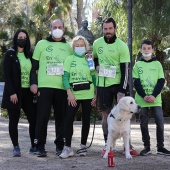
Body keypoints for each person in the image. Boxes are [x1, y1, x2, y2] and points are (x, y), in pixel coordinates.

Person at [92, 17, 138, 156]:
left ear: (115, 28)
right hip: (103, 85)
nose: (108, 31)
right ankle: (108, 147)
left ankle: (127, 146)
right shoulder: (97, 43)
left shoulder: (122, 46)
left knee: (124, 115)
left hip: (118, 84)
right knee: (106, 116)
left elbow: (126, 70)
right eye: (105, 29)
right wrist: (96, 65)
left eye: (110, 28)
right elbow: (94, 59)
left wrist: (122, 91)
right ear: (102, 29)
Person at [30, 19, 73, 157]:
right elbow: (34, 67)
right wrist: (34, 83)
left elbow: (72, 68)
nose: (57, 29)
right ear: (50, 29)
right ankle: (40, 146)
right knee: (42, 116)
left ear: (64, 29)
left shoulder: (69, 47)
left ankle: (60, 146)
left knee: (61, 117)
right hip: (44, 86)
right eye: (54, 27)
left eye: (60, 27)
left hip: (62, 87)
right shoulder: (41, 44)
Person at [59, 36, 96, 159]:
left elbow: (94, 76)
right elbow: (65, 77)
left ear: (85, 47)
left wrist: (96, 93)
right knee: (68, 119)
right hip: (73, 94)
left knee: (86, 119)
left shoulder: (89, 59)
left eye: (82, 45)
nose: (80, 47)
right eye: (77, 45)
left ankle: (82, 146)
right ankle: (68, 147)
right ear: (73, 47)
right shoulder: (69, 59)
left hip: (88, 94)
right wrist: (69, 93)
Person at [1, 29, 37, 157]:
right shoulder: (10, 54)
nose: (22, 39)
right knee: (14, 120)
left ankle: (34, 145)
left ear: (27, 40)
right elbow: (7, 75)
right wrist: (12, 93)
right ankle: (16, 147)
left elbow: (34, 72)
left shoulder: (30, 55)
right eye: (20, 37)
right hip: (15, 93)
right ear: (16, 38)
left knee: (33, 119)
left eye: (24, 37)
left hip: (28, 92)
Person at [133, 39, 170, 156]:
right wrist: (144, 96)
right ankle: (147, 147)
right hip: (142, 100)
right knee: (143, 123)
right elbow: (136, 82)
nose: (146, 50)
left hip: (156, 99)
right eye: (144, 48)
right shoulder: (137, 65)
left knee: (160, 122)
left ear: (153, 50)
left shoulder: (157, 64)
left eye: (149, 48)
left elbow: (161, 81)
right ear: (140, 50)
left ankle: (160, 147)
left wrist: (153, 95)